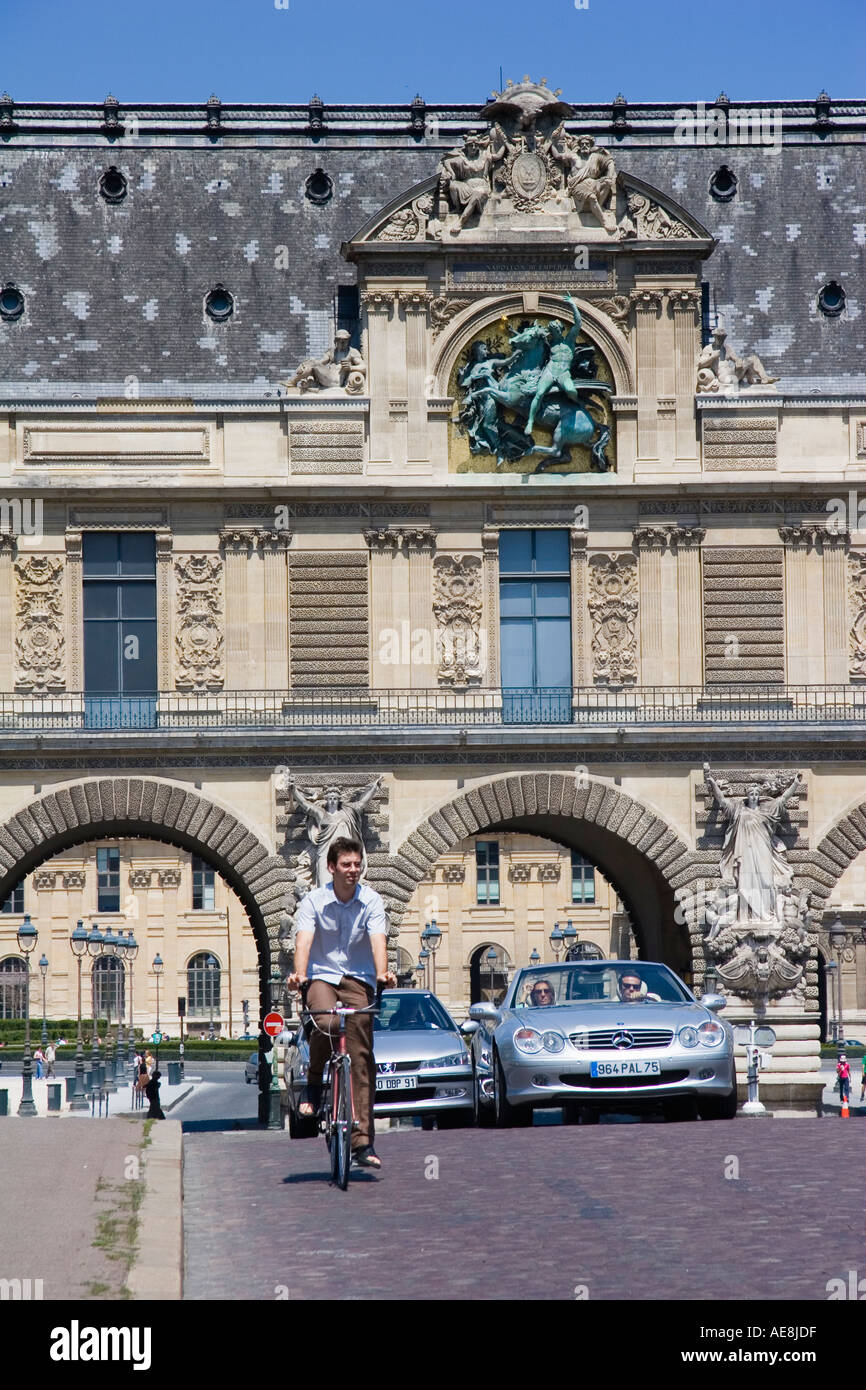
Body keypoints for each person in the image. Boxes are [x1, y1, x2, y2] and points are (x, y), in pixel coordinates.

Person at [287, 835, 396, 1170]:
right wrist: (299, 974)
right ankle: (316, 1083)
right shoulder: (313, 902)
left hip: (359, 978)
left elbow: (379, 939)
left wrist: (383, 973)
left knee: (361, 1056)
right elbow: (304, 939)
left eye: (357, 864)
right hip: (320, 975)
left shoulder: (372, 901)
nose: (353, 870)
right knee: (325, 1021)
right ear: (331, 867)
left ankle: (363, 1143)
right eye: (347, 865)